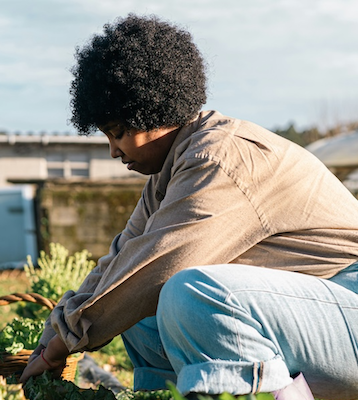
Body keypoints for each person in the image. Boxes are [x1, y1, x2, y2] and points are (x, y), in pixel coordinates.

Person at [20, 14, 358, 400]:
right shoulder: (172, 171)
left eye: (117, 132)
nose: (114, 150)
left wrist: (62, 346)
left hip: (349, 301)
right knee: (137, 312)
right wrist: (51, 339)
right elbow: (123, 261)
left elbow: (160, 266)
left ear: (154, 111)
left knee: (189, 292)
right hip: (316, 311)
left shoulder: (220, 158)